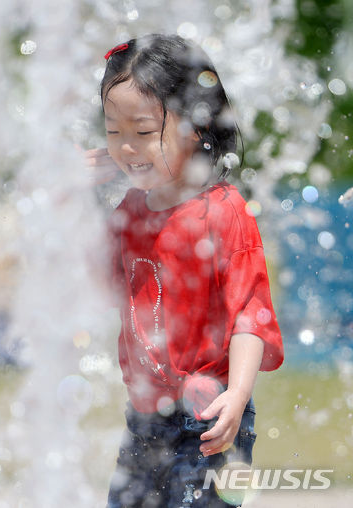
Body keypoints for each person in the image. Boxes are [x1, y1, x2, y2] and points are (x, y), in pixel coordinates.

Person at [85, 34, 285, 507]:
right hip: (144, 416)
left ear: (196, 125)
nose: (127, 149)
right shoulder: (130, 211)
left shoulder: (223, 212)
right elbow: (100, 284)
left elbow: (249, 314)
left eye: (142, 130)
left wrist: (237, 395)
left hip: (209, 414)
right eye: (114, 132)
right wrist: (79, 197)